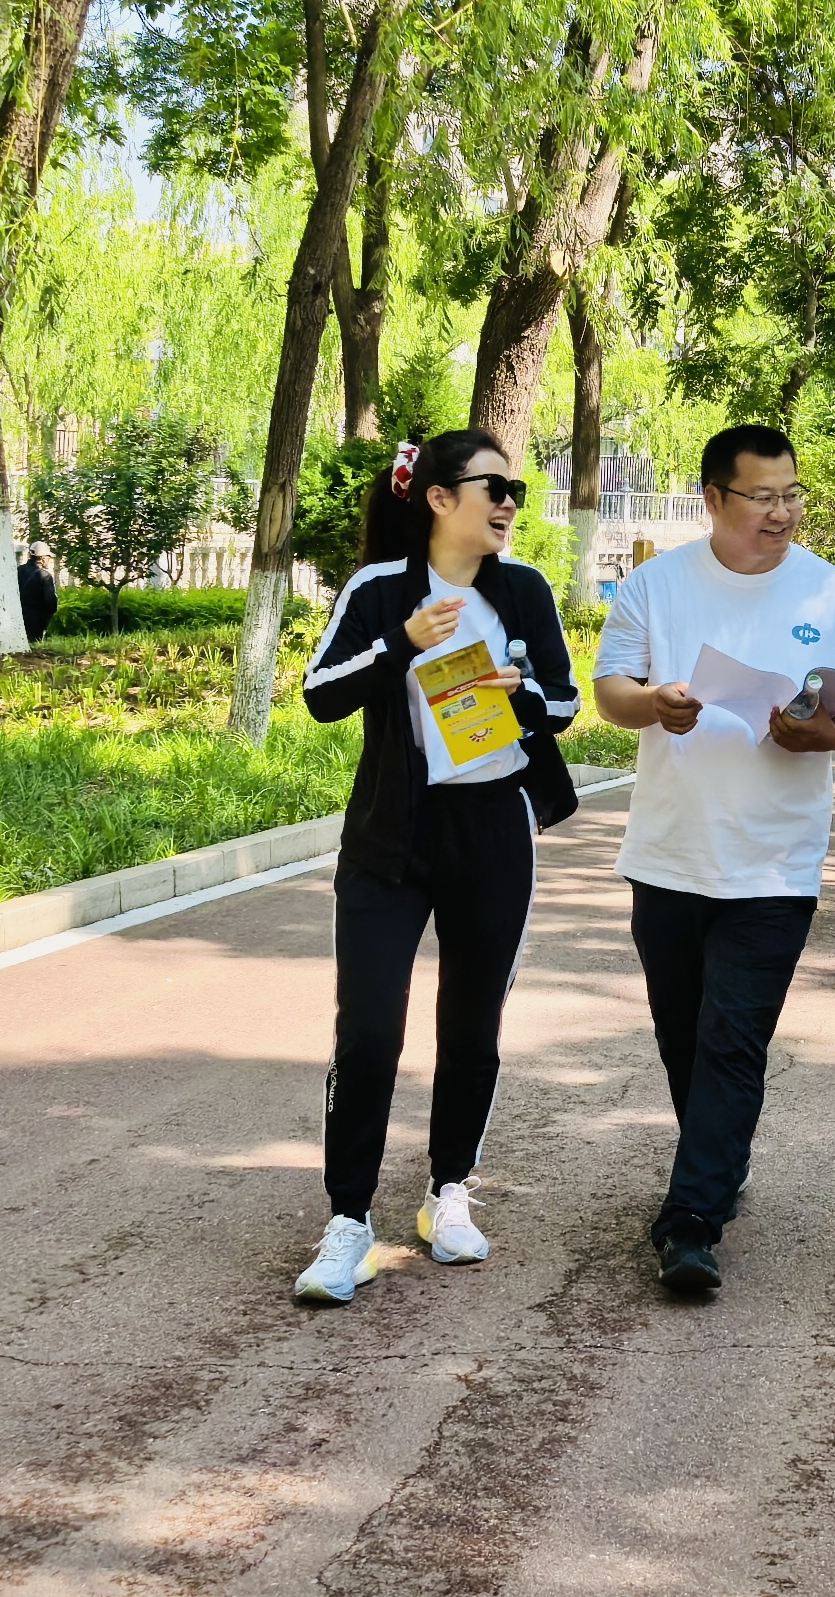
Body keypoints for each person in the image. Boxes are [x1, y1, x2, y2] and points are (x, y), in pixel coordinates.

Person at [591, 423, 835, 1298]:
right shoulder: (656, 583)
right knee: (683, 1035)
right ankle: (719, 1160)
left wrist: (821, 732)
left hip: (775, 861)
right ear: (714, 498)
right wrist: (655, 704)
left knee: (733, 1038)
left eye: (792, 494)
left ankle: (691, 1219)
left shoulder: (831, 590)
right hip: (670, 853)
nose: (782, 512)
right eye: (763, 496)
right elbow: (611, 690)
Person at [288, 430, 588, 1304]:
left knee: (471, 1024)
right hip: (392, 831)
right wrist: (402, 644)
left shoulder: (523, 589)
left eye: (514, 489)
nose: (508, 502)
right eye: (493, 487)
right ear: (439, 497)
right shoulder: (381, 589)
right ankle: (349, 1220)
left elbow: (565, 702)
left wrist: (520, 694)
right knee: (369, 1029)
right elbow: (319, 693)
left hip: (493, 828)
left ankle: (448, 1190)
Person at [17, 544, 59, 645]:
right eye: (48, 557)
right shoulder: (45, 576)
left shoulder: (18, 570)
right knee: (34, 645)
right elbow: (50, 602)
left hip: (17, 616)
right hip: (37, 620)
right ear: (43, 558)